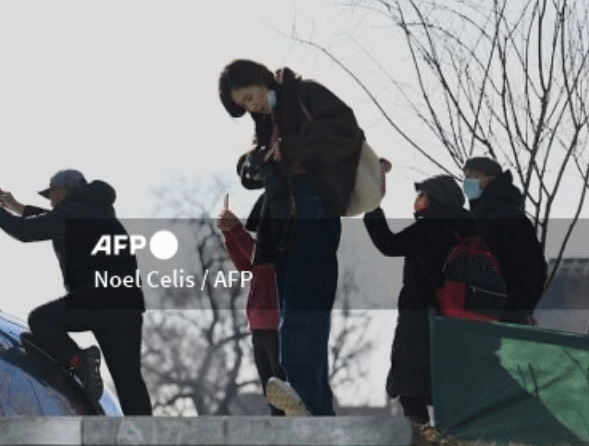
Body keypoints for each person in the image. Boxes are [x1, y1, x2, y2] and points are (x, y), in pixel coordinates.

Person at [218, 58, 366, 417]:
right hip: (281, 216)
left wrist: (291, 148)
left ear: (262, 79)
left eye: (252, 97)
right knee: (293, 309)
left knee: (304, 305)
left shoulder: (306, 94)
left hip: (313, 209)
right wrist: (253, 164)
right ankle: (314, 409)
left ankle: (300, 390)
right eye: (244, 105)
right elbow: (263, 158)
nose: (253, 106)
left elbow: (347, 132)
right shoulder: (265, 122)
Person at [0, 170, 153, 415]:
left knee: (41, 319)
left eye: (50, 193)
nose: (50, 200)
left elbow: (27, 231)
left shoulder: (74, 212)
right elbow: (51, 219)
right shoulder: (97, 210)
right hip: (127, 306)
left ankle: (80, 362)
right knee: (129, 381)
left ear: (63, 190)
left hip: (94, 301)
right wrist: (17, 207)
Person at [363, 174, 480, 440]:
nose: (416, 200)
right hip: (459, 321)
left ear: (435, 198)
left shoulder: (430, 227)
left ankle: (424, 439)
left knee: (411, 392)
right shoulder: (471, 229)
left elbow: (388, 244)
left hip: (421, 319)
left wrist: (372, 208)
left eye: (421, 194)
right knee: (447, 392)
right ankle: (450, 438)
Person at [217, 195, 284, 415]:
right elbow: (244, 264)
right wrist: (228, 234)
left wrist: (235, 229)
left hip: (277, 328)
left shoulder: (281, 246)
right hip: (258, 330)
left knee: (284, 394)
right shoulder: (262, 252)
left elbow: (255, 253)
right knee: (271, 395)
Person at [461, 156, 548, 323]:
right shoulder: (474, 217)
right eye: (465, 177)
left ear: (490, 179)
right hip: (474, 314)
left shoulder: (511, 218)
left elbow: (534, 269)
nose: (466, 183)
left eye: (472, 177)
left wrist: (518, 311)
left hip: (503, 315)